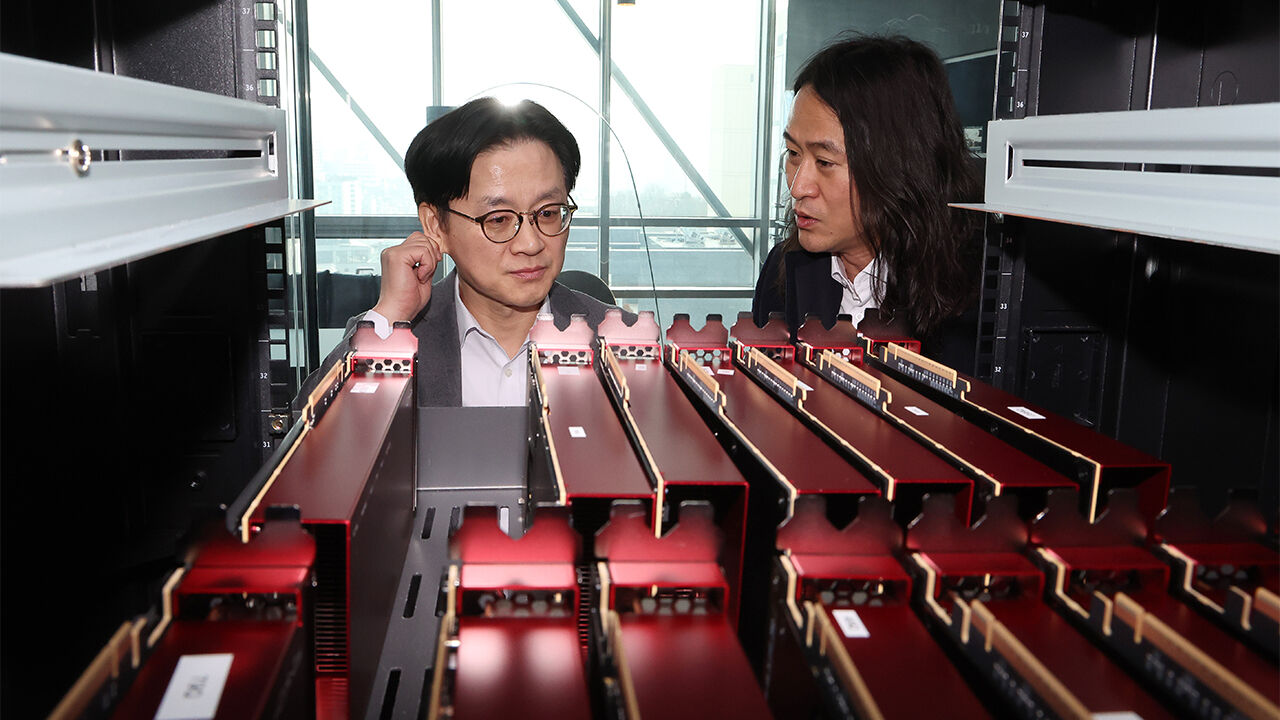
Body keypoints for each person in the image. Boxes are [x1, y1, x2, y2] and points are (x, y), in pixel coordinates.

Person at [307, 97, 627, 408]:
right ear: (436, 225)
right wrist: (390, 316)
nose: (531, 244)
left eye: (547, 213)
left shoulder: (624, 344)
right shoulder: (391, 335)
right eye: (498, 219)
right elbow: (309, 431)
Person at [752, 35, 982, 350]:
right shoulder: (784, 270)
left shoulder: (977, 296)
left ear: (898, 167)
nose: (798, 186)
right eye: (793, 153)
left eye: (824, 162)